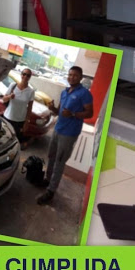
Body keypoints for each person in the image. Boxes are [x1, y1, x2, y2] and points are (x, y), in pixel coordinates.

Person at [37, 66, 93, 205]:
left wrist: (73, 114)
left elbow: (90, 113)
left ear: (80, 78)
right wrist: (53, 108)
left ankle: (51, 191)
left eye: (75, 75)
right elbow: (60, 112)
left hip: (69, 133)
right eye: (70, 74)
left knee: (60, 161)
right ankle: (48, 180)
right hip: (57, 129)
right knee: (51, 156)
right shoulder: (64, 92)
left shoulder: (84, 93)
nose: (71, 77)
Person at [2, 68, 34, 145]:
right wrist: (10, 96)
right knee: (4, 140)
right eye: (24, 74)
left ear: (30, 77)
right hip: (8, 118)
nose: (25, 76)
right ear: (21, 75)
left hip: (20, 121)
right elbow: (4, 99)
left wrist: (27, 122)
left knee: (15, 142)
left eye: (28, 75)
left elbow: (29, 108)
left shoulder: (31, 91)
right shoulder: (13, 85)